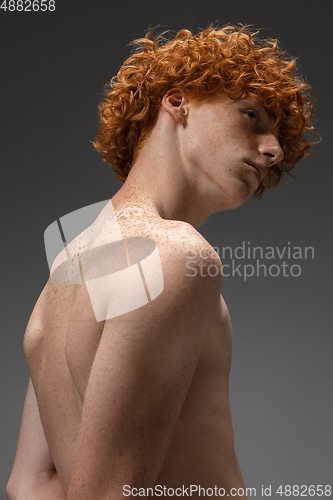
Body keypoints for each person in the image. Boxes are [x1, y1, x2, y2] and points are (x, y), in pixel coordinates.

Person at [6, 24, 315, 499]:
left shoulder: (65, 269)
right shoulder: (177, 255)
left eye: (277, 140)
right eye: (251, 116)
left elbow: (30, 483)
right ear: (177, 102)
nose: (272, 150)